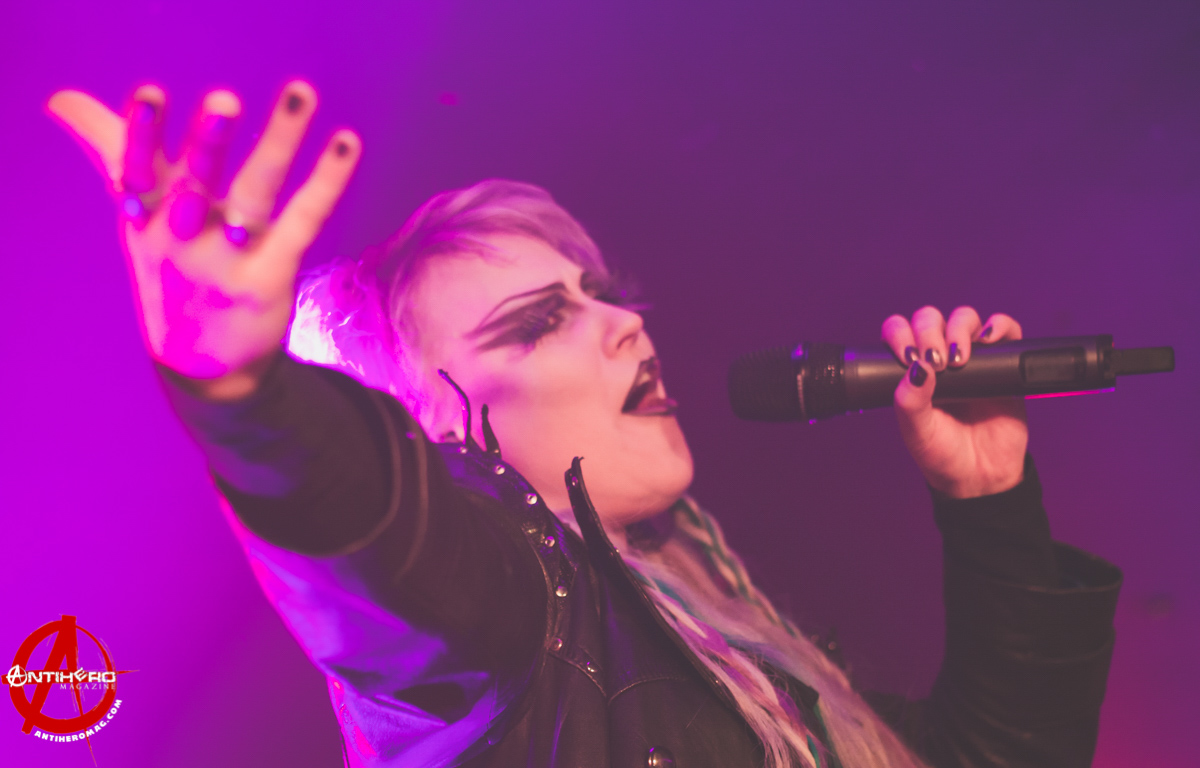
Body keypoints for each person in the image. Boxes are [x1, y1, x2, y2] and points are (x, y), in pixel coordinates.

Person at [49, 80, 1121, 768]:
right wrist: (243, 390)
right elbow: (383, 526)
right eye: (540, 321)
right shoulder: (507, 623)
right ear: (440, 426)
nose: (625, 321)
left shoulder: (737, 644)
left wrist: (989, 506)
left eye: (600, 291)